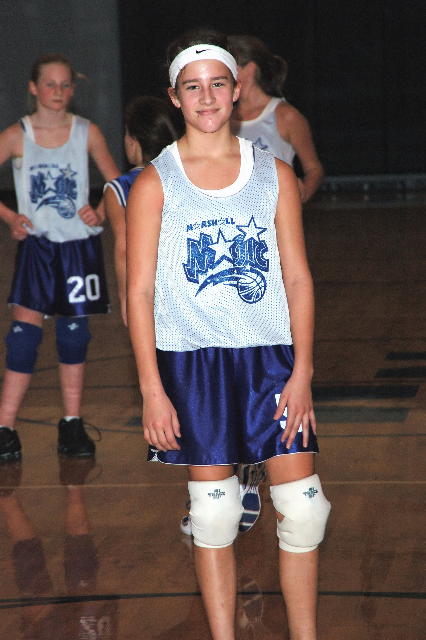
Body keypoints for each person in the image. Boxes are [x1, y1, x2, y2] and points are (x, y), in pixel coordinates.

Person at [126, 28, 331, 640]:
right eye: (193, 87)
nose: (208, 97)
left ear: (237, 89)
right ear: (175, 97)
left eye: (218, 84)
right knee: (214, 516)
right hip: (193, 365)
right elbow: (139, 293)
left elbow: (297, 277)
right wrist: (152, 390)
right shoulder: (155, 183)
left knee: (304, 509)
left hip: (271, 359)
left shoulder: (275, 173)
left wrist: (303, 371)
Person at [0, 53, 120, 461]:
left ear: (73, 89)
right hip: (37, 247)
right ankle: (5, 427)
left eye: (65, 84)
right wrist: (10, 217)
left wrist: (100, 212)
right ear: (33, 88)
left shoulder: (86, 132)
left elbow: (116, 184)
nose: (58, 91)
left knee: (73, 336)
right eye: (50, 84)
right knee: (23, 338)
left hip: (77, 248)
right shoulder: (17, 135)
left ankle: (71, 423)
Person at [104, 96, 178, 325]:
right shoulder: (186, 176)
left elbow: (124, 246)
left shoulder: (120, 189)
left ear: (134, 141)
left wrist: (125, 297)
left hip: (149, 288)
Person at [229, 34, 324, 203]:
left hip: (276, 213)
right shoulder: (224, 118)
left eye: (228, 69)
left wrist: (297, 200)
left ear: (249, 69)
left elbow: (314, 169)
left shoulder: (285, 115)